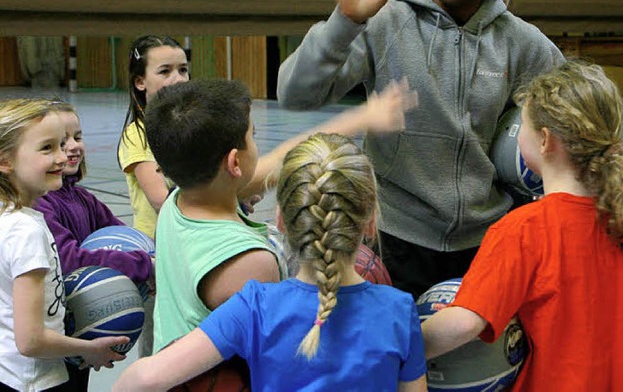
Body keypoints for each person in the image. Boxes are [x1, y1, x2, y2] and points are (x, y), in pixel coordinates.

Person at [276, 0, 565, 298]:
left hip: (485, 244)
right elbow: (294, 93)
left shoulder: (519, 42)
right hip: (395, 238)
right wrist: (345, 21)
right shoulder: (388, 19)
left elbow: (581, 112)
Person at [144, 77, 415, 388]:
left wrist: (363, 117)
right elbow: (286, 347)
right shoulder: (250, 262)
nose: (259, 146)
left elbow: (285, 156)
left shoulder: (179, 200)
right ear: (234, 163)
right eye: (253, 136)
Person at [421, 61, 623, 391]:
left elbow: (464, 322)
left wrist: (397, 344)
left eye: (521, 124)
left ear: (545, 141)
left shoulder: (522, 230)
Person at [0, 99, 128, 391]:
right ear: (5, 161)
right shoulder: (25, 230)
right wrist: (87, 348)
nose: (61, 157)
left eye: (61, 145)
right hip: (37, 380)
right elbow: (31, 340)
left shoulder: (11, 216)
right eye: (47, 148)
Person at [34, 101, 154, 391]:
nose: (72, 147)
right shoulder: (40, 203)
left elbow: (121, 233)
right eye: (60, 142)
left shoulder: (83, 198)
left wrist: (151, 257)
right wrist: (144, 266)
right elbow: (69, 260)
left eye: (78, 136)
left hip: (82, 330)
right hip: (51, 337)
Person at [117, 35, 189, 358]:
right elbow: (162, 199)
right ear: (140, 82)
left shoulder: (190, 129)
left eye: (183, 69)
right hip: (156, 260)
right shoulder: (137, 135)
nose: (178, 79)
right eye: (165, 71)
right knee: (156, 349)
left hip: (192, 249)